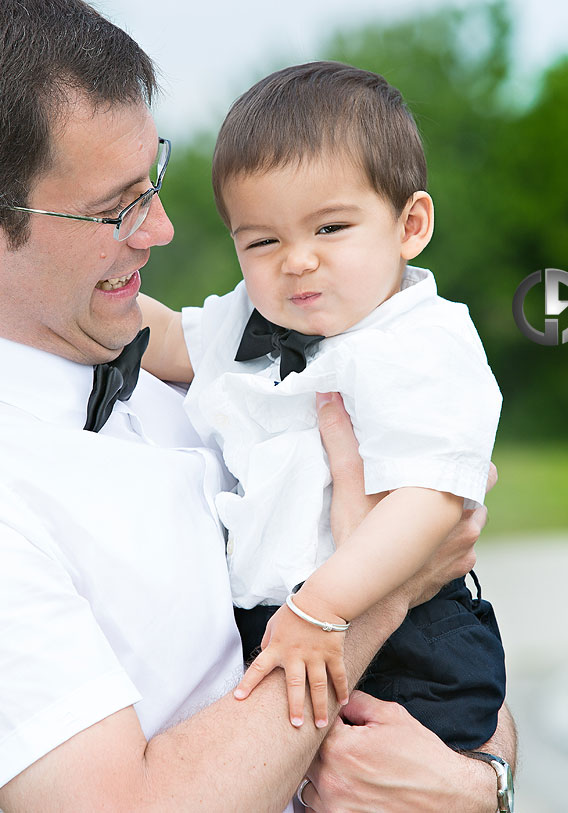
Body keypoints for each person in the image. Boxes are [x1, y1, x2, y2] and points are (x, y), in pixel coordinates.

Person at [0, 2, 515, 812]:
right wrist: (378, 596)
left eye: (155, 181)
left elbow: (458, 678)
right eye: (116, 208)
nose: (164, 229)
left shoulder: (165, 352)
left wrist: (480, 784)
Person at [139, 61, 507, 749]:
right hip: (272, 620)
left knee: (389, 774)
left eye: (331, 228)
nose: (297, 260)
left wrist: (325, 607)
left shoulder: (420, 340)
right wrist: (82, 300)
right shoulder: (247, 319)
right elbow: (166, 338)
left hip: (405, 637)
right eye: (264, 240)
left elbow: (430, 501)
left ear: (409, 224)